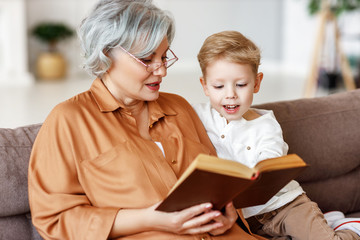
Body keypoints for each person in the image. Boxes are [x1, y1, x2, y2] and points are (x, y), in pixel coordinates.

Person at [28, 1, 266, 239]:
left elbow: (218, 185)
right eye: (147, 58)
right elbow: (55, 219)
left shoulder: (179, 108)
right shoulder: (68, 120)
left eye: (164, 57)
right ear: (105, 56)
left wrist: (227, 215)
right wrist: (150, 219)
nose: (161, 70)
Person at [193, 30, 360, 240]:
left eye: (241, 84)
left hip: (284, 206)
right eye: (219, 86)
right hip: (244, 219)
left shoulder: (266, 125)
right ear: (205, 86)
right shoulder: (198, 115)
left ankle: (349, 228)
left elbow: (270, 166)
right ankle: (327, 220)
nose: (230, 94)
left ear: (256, 83)